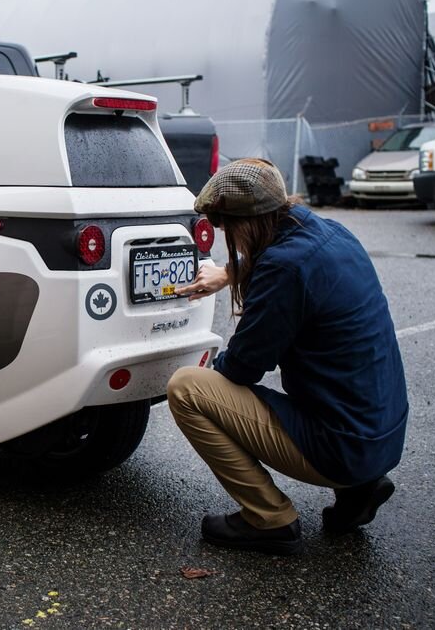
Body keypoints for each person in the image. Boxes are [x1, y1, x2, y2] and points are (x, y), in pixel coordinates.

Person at [167, 158, 408, 556]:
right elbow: (291, 263)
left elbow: (242, 366)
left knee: (187, 387)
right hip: (379, 434)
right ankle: (359, 488)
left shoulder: (284, 269)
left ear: (244, 224)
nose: (228, 237)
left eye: (227, 229)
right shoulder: (332, 233)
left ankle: (268, 518)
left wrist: (213, 370)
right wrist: (231, 272)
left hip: (342, 446)